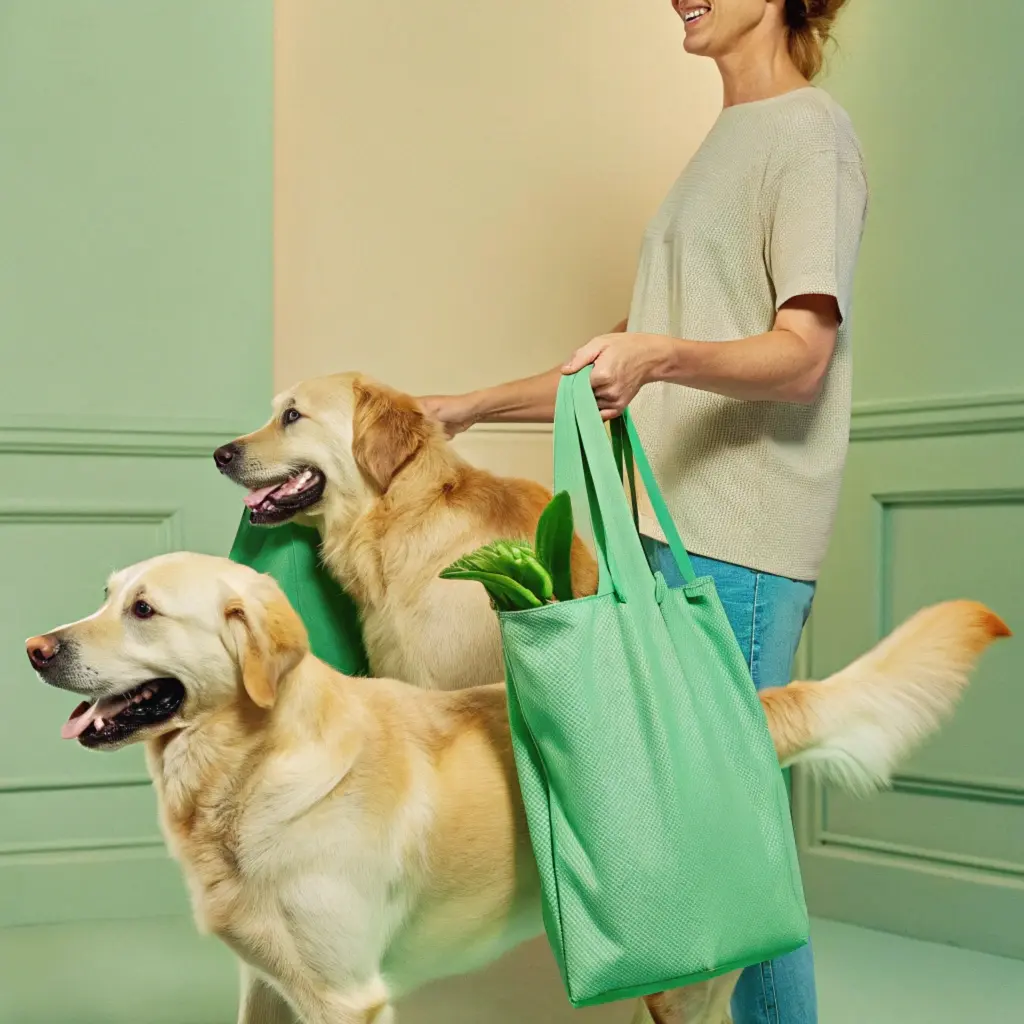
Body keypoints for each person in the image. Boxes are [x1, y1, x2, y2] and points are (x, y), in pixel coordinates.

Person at [420, 2, 866, 1022]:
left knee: (732, 850)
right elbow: (613, 363)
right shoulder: (723, 142)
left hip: (742, 545)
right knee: (710, 844)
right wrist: (465, 407)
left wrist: (661, 355)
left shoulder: (809, 135)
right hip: (671, 533)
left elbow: (801, 357)